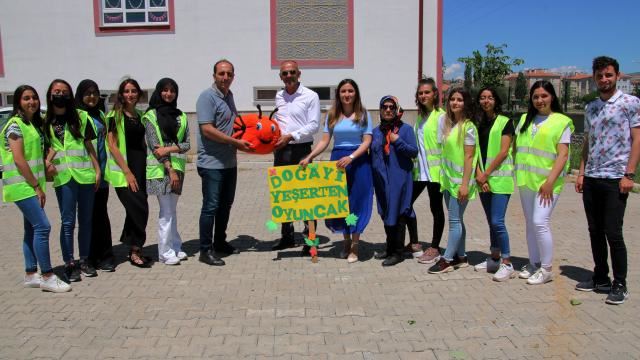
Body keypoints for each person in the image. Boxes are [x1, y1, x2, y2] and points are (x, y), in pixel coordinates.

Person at [575, 56, 640, 305]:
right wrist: (581, 172)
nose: (604, 79)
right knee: (595, 231)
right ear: (594, 78)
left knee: (613, 232)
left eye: (608, 75)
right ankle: (600, 276)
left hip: (616, 178)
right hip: (592, 176)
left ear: (617, 76)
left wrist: (629, 174)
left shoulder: (630, 103)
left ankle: (620, 283)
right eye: (600, 76)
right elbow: (588, 143)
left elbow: (637, 139)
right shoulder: (591, 107)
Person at [1, 85, 70, 292]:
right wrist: (36, 187)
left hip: (30, 185)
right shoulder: (14, 126)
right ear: (18, 102)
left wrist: (47, 161)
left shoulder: (30, 124)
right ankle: (48, 276)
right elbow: (19, 160)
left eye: (34, 98)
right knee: (43, 226)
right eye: (26, 98)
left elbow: (34, 155)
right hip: (22, 186)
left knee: (31, 228)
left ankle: (31, 273)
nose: (31, 102)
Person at [299, 79, 373, 263]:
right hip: (338, 162)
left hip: (359, 162)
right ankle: (346, 243)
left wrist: (352, 157)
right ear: (338, 94)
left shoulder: (363, 114)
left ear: (356, 93)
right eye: (343, 91)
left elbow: (367, 141)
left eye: (350, 91)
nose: (347, 94)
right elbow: (324, 141)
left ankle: (355, 246)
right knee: (341, 203)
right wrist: (310, 157)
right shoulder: (332, 114)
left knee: (356, 203)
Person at [514, 80, 574, 285]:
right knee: (531, 224)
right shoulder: (524, 120)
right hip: (525, 180)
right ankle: (534, 262)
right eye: (536, 96)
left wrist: (549, 182)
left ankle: (546, 269)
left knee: (540, 222)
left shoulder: (561, 121)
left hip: (548, 183)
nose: (540, 100)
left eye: (544, 96)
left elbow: (563, 155)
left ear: (552, 97)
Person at [43, 79, 100, 282]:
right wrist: (47, 163)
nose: (61, 94)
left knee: (86, 221)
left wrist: (97, 169)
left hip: (84, 175)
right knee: (68, 222)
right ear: (50, 95)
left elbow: (89, 146)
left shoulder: (81, 116)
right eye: (57, 91)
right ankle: (69, 262)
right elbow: (49, 148)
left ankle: (84, 259)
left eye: (65, 92)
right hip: (63, 177)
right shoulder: (45, 122)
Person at [196, 59, 252, 266]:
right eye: (221, 74)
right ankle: (205, 250)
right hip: (211, 163)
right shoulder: (206, 97)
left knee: (225, 205)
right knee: (210, 207)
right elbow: (207, 129)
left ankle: (220, 242)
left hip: (229, 162)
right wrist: (235, 142)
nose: (225, 77)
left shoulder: (229, 96)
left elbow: (233, 123)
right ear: (214, 76)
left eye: (229, 74)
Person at [271, 60, 321, 253]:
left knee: (306, 196)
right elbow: (278, 121)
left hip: (302, 150)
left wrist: (291, 136)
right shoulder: (279, 96)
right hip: (281, 152)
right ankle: (287, 236)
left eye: (292, 72)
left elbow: (314, 125)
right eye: (285, 73)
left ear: (299, 74)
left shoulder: (310, 96)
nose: (289, 76)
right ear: (281, 77)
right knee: (283, 195)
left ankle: (310, 239)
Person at [428, 88, 478, 274]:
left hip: (460, 183)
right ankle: (461, 256)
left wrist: (465, 184)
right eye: (452, 99)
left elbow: (469, 157)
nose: (455, 103)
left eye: (459, 100)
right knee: (458, 220)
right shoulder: (447, 123)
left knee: (454, 221)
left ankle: (447, 259)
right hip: (448, 181)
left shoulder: (469, 127)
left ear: (466, 103)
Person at [144, 78, 190, 266]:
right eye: (165, 90)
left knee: (173, 211)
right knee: (166, 212)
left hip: (178, 170)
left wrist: (169, 150)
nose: (168, 94)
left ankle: (176, 247)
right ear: (159, 92)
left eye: (172, 91)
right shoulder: (150, 116)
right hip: (160, 171)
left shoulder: (182, 116)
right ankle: (164, 252)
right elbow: (155, 147)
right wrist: (169, 169)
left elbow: (186, 144)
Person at [105, 78, 150, 268]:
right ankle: (134, 248)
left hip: (141, 168)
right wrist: (127, 171)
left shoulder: (141, 115)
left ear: (138, 94)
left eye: (133, 91)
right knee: (139, 209)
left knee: (136, 210)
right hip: (124, 171)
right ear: (121, 94)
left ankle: (132, 246)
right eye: (126, 91)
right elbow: (113, 146)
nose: (130, 94)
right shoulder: (114, 116)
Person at [472, 87, 516, 281]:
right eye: (482, 98)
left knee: (498, 221)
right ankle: (495, 258)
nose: (486, 101)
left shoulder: (505, 122)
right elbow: (474, 153)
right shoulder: (477, 123)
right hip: (483, 180)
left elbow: (504, 151)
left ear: (496, 100)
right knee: (491, 221)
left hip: (500, 179)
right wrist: (479, 175)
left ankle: (507, 262)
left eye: (489, 98)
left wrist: (486, 174)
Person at [371, 96, 418, 266]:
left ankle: (398, 252)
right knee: (385, 213)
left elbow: (413, 152)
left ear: (396, 109)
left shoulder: (405, 130)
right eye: (385, 107)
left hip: (399, 180)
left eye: (392, 107)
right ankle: (389, 248)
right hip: (382, 181)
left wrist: (398, 142)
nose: (388, 110)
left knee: (398, 214)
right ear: (380, 110)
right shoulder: (376, 131)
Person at [75, 79, 115, 272]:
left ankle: (105, 255)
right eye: (87, 93)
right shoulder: (77, 116)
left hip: (103, 174)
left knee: (101, 215)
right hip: (87, 174)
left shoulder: (100, 114)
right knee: (87, 217)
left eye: (95, 93)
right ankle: (87, 258)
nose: (91, 97)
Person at [409, 78, 446, 263]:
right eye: (420, 93)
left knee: (436, 209)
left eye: (427, 92)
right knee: (406, 204)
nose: (423, 96)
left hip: (435, 173)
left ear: (435, 94)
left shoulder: (441, 117)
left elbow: (447, 146)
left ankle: (434, 247)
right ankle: (414, 242)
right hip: (420, 173)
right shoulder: (421, 118)